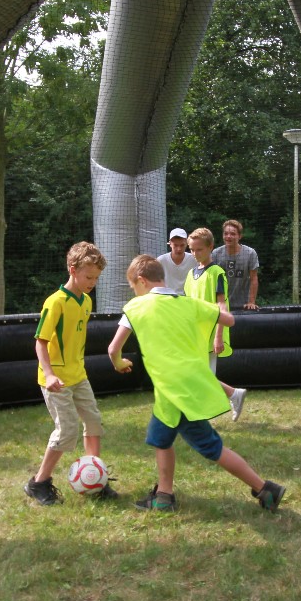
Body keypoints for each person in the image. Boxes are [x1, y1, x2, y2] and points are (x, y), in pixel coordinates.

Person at [109, 255, 285, 512]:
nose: (134, 292)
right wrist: (213, 307)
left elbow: (113, 348)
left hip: (177, 392)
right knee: (160, 439)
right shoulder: (188, 303)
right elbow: (229, 320)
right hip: (178, 388)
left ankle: (265, 489)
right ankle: (164, 496)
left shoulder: (136, 307)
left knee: (211, 447)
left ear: (142, 281)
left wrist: (119, 363)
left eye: (133, 287)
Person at [25, 241, 119, 505]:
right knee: (67, 431)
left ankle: (96, 479)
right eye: (89, 277)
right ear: (72, 270)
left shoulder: (86, 301)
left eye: (96, 278)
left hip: (79, 376)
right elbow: (40, 342)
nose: (92, 283)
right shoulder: (55, 302)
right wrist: (50, 374)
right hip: (56, 380)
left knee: (94, 422)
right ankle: (39, 482)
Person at [183, 227, 246, 421]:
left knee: (202, 376)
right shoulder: (190, 275)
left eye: (199, 249)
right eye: (192, 250)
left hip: (210, 334)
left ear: (210, 247)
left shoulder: (216, 273)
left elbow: (222, 305)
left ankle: (203, 416)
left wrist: (219, 336)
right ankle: (234, 394)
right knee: (199, 375)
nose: (195, 254)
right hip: (195, 334)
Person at [211, 219, 260, 310]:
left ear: (240, 236)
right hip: (220, 305)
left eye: (233, 234)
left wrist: (251, 302)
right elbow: (212, 280)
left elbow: (253, 278)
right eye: (226, 233)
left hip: (243, 305)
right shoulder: (216, 254)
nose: (228, 236)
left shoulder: (250, 253)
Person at [159, 227, 197, 291]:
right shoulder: (161, 261)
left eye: (182, 245)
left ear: (187, 243)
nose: (179, 249)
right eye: (175, 245)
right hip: (167, 295)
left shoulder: (194, 260)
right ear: (170, 244)